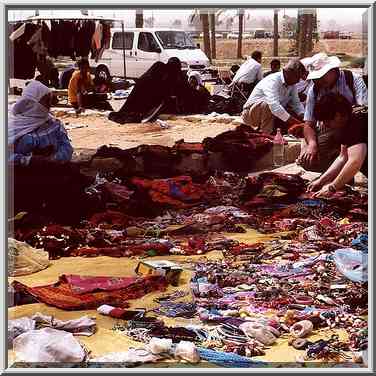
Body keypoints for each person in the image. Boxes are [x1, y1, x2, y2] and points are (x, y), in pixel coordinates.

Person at [298, 53, 368, 172]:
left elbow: (361, 111)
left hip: (353, 126)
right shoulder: (314, 90)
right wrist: (312, 144)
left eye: (322, 76)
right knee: (309, 160)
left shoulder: (352, 79)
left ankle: (350, 169)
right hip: (329, 127)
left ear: (334, 70)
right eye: (315, 78)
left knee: (354, 154)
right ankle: (338, 171)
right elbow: (308, 123)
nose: (318, 80)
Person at [306, 93, 367, 197]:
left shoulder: (356, 121)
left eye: (327, 121)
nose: (325, 125)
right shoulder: (349, 118)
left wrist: (332, 187)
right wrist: (321, 180)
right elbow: (343, 157)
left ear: (338, 115)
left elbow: (355, 161)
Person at [8, 80, 73, 166]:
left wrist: (52, 160)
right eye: (46, 101)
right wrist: (28, 160)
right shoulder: (12, 126)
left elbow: (66, 147)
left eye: (50, 101)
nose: (50, 105)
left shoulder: (53, 123)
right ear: (33, 102)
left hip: (53, 169)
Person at [109, 57, 185, 124]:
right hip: (144, 90)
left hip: (141, 88)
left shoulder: (161, 67)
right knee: (136, 110)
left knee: (131, 107)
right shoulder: (165, 71)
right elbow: (161, 88)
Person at [241, 58, 307, 134]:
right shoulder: (273, 81)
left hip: (269, 115)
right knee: (268, 105)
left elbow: (296, 103)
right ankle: (265, 134)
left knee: (290, 112)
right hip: (250, 115)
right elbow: (275, 107)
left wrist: (304, 118)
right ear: (288, 73)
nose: (298, 81)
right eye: (297, 77)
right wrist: (298, 123)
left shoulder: (292, 84)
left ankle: (276, 131)